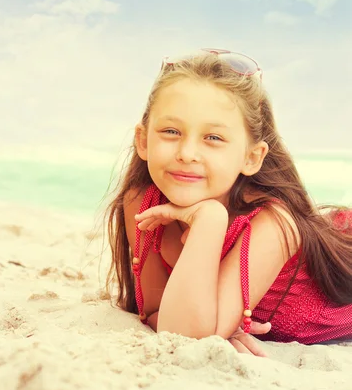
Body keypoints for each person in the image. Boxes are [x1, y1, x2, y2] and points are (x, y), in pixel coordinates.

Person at [104, 48, 352, 355]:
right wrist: (211, 325)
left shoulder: (273, 222)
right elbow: (159, 314)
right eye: (171, 131)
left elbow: (188, 336)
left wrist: (209, 219)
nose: (187, 152)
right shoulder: (141, 202)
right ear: (143, 140)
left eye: (213, 138)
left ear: (251, 157)